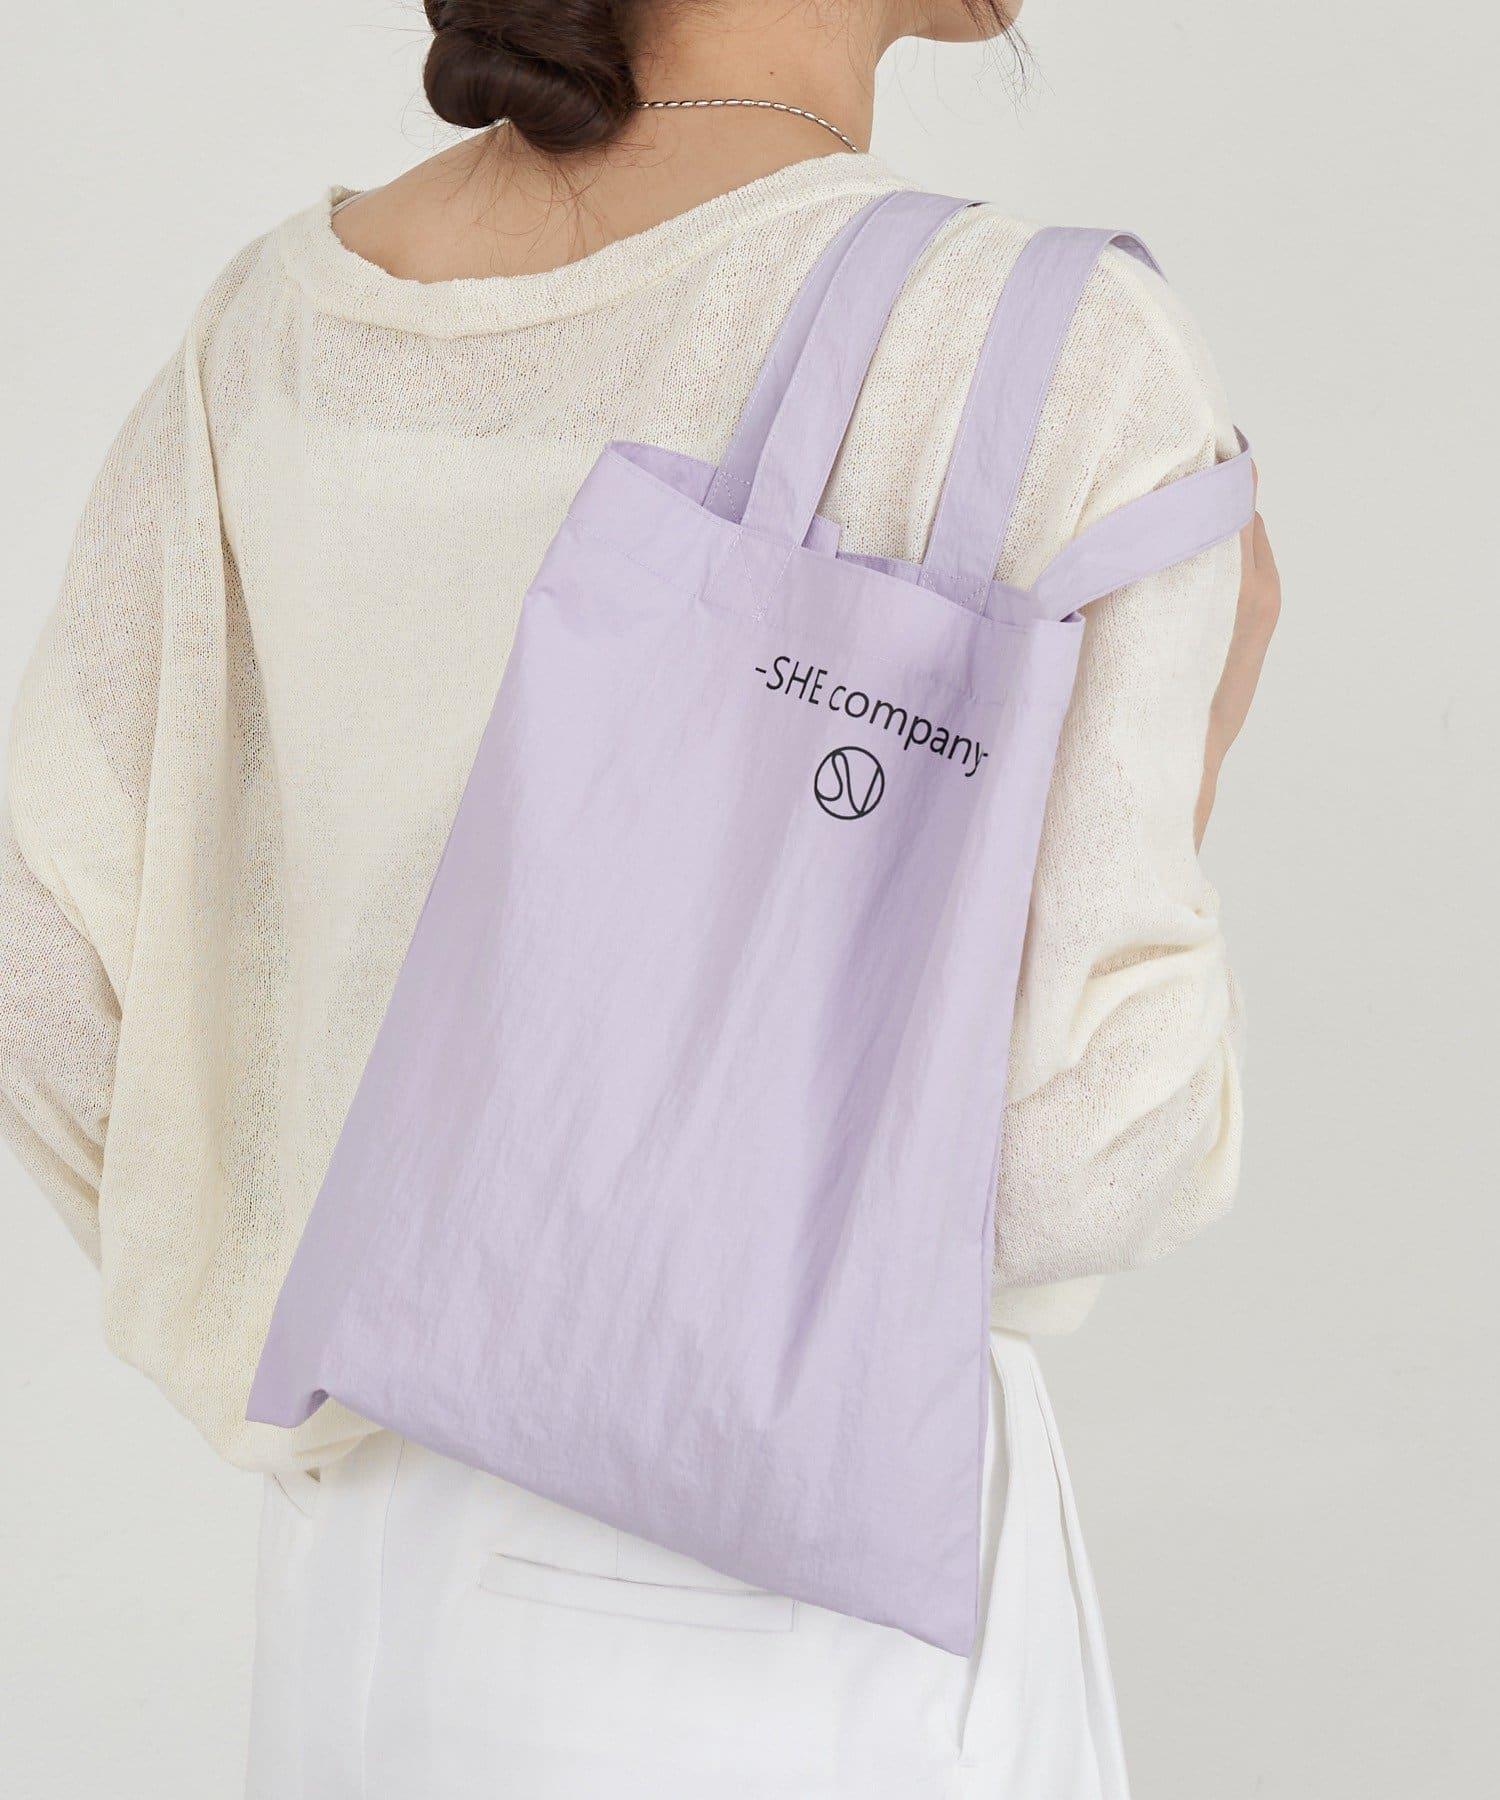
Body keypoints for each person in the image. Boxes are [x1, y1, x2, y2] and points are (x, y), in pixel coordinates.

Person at [0, 1, 1280, 1794]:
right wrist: (1205, 728)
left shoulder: (284, 327)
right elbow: (1088, 1158)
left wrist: (335, 1289)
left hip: (364, 1604)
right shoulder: (1044, 353)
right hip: (794, 1613)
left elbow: (46, 977)